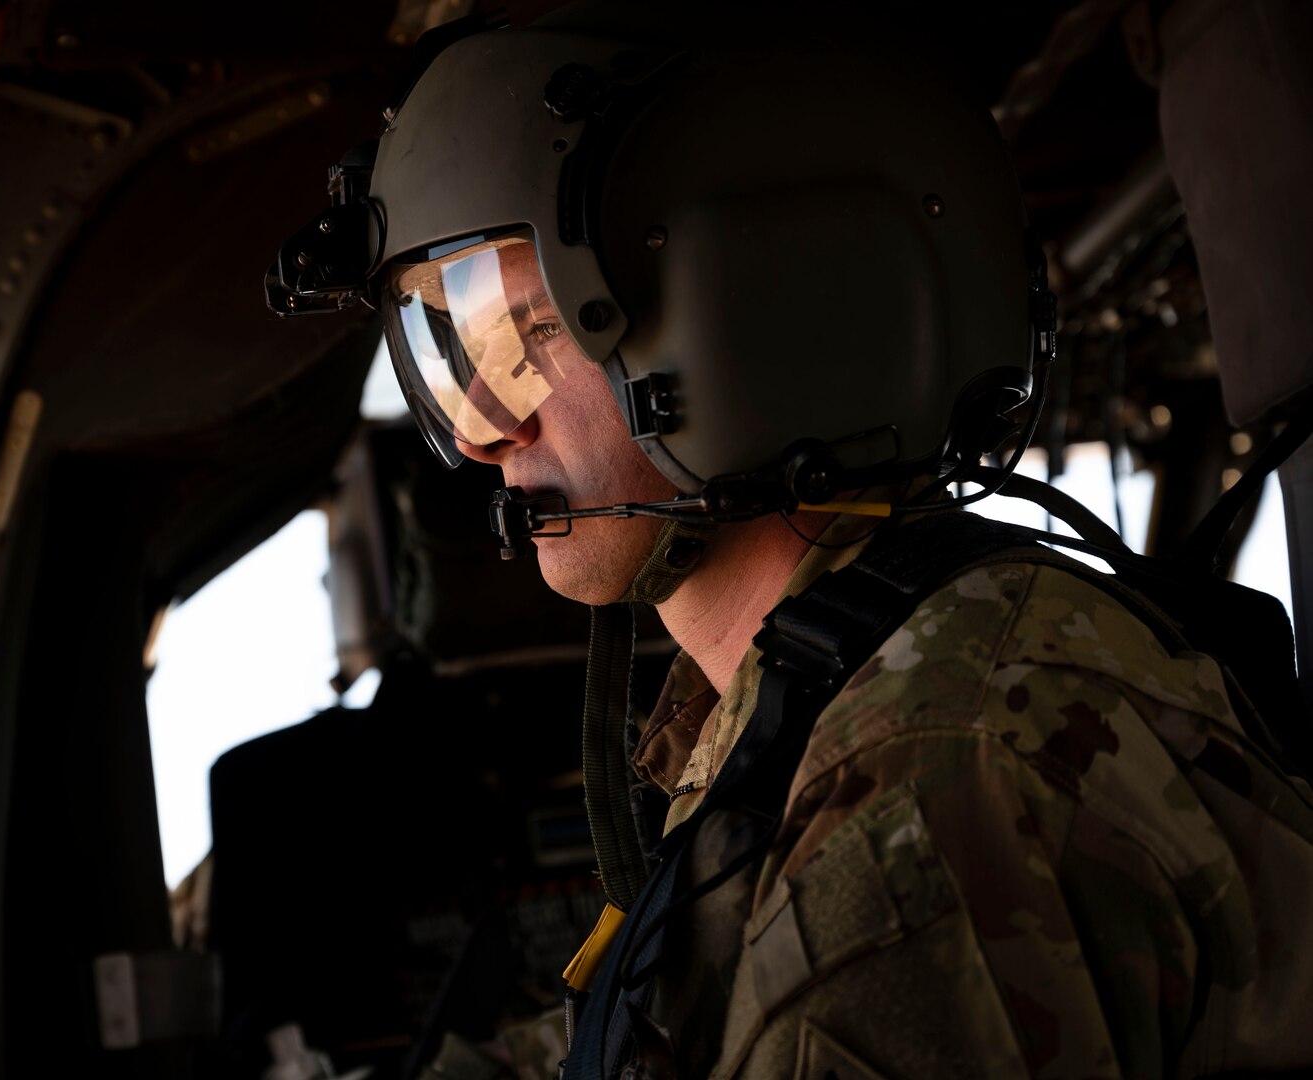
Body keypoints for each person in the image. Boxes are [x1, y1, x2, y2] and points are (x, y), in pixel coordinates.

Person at [268, 5, 1313, 1077]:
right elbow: (662, 1033)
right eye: (451, 348)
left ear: (747, 295)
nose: (494, 424)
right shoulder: (833, 693)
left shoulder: (931, 781)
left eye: (529, 332)